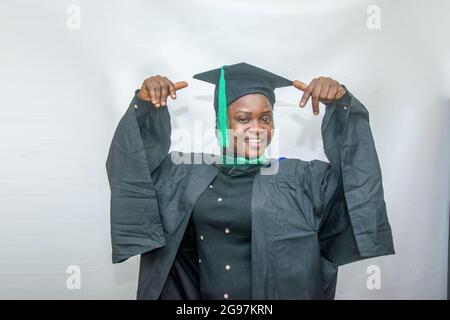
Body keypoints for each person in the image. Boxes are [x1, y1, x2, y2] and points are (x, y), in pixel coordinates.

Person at [105, 62, 395, 300]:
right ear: (221, 122)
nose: (257, 128)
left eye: (266, 119)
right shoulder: (184, 174)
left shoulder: (302, 179)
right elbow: (134, 172)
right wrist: (143, 107)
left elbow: (358, 186)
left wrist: (343, 107)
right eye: (243, 119)